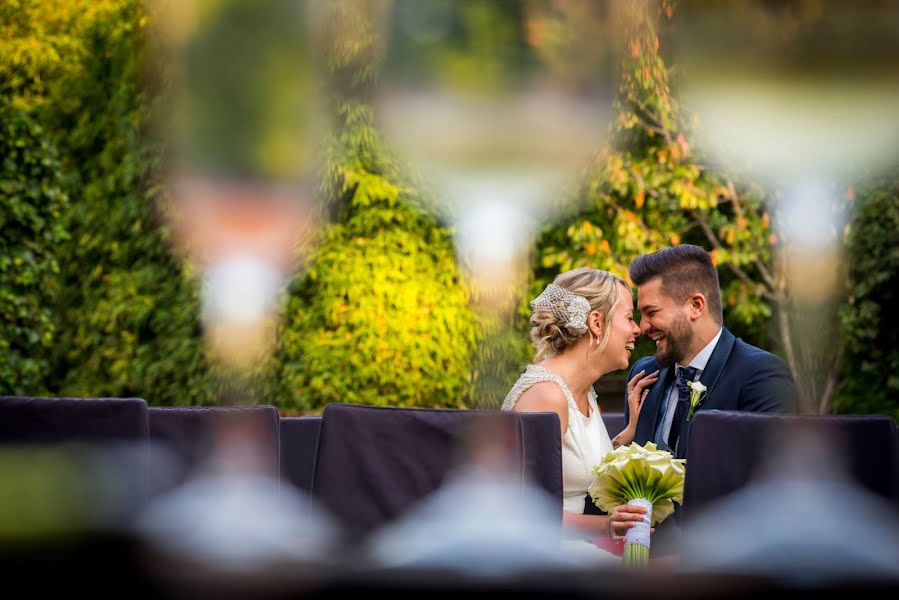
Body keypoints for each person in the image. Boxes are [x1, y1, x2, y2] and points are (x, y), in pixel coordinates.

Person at [502, 267, 659, 547]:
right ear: (596, 323)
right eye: (628, 318)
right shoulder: (545, 396)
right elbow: (520, 512)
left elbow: (575, 459)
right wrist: (608, 525)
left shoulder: (584, 393)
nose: (637, 329)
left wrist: (629, 431)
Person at [625, 244, 797, 460]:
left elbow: (767, 477)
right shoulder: (643, 376)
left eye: (651, 312)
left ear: (696, 306)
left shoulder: (762, 377)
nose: (643, 327)